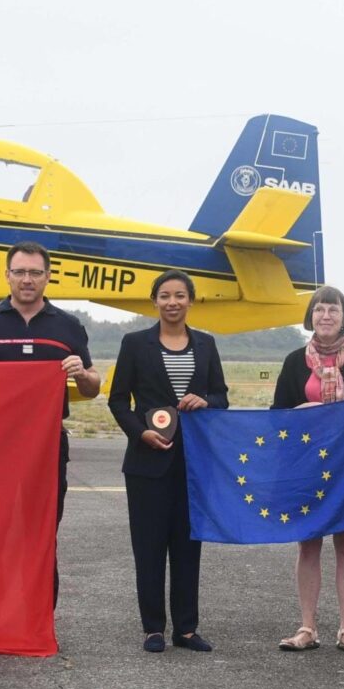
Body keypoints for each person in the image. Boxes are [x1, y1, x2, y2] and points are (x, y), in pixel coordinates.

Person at [0, 240, 102, 605]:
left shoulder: (68, 327)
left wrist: (81, 373)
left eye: (35, 273)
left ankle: (36, 619)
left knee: (40, 534)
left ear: (48, 277)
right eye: (20, 272)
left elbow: (93, 388)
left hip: (47, 448)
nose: (27, 280)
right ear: (7, 275)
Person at [108, 270, 229, 654]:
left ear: (190, 300)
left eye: (180, 295)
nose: (172, 302)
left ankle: (187, 629)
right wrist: (138, 432)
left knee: (187, 547)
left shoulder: (206, 345)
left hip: (193, 465)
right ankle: (153, 628)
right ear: (155, 301)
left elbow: (222, 397)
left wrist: (206, 400)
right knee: (148, 546)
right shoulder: (135, 344)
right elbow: (117, 401)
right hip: (146, 462)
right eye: (165, 296)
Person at [269, 286, 344, 655]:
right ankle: (307, 627)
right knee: (308, 544)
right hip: (306, 467)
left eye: (332, 310)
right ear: (311, 316)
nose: (325, 316)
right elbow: (277, 419)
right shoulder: (293, 362)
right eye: (319, 310)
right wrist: (301, 410)